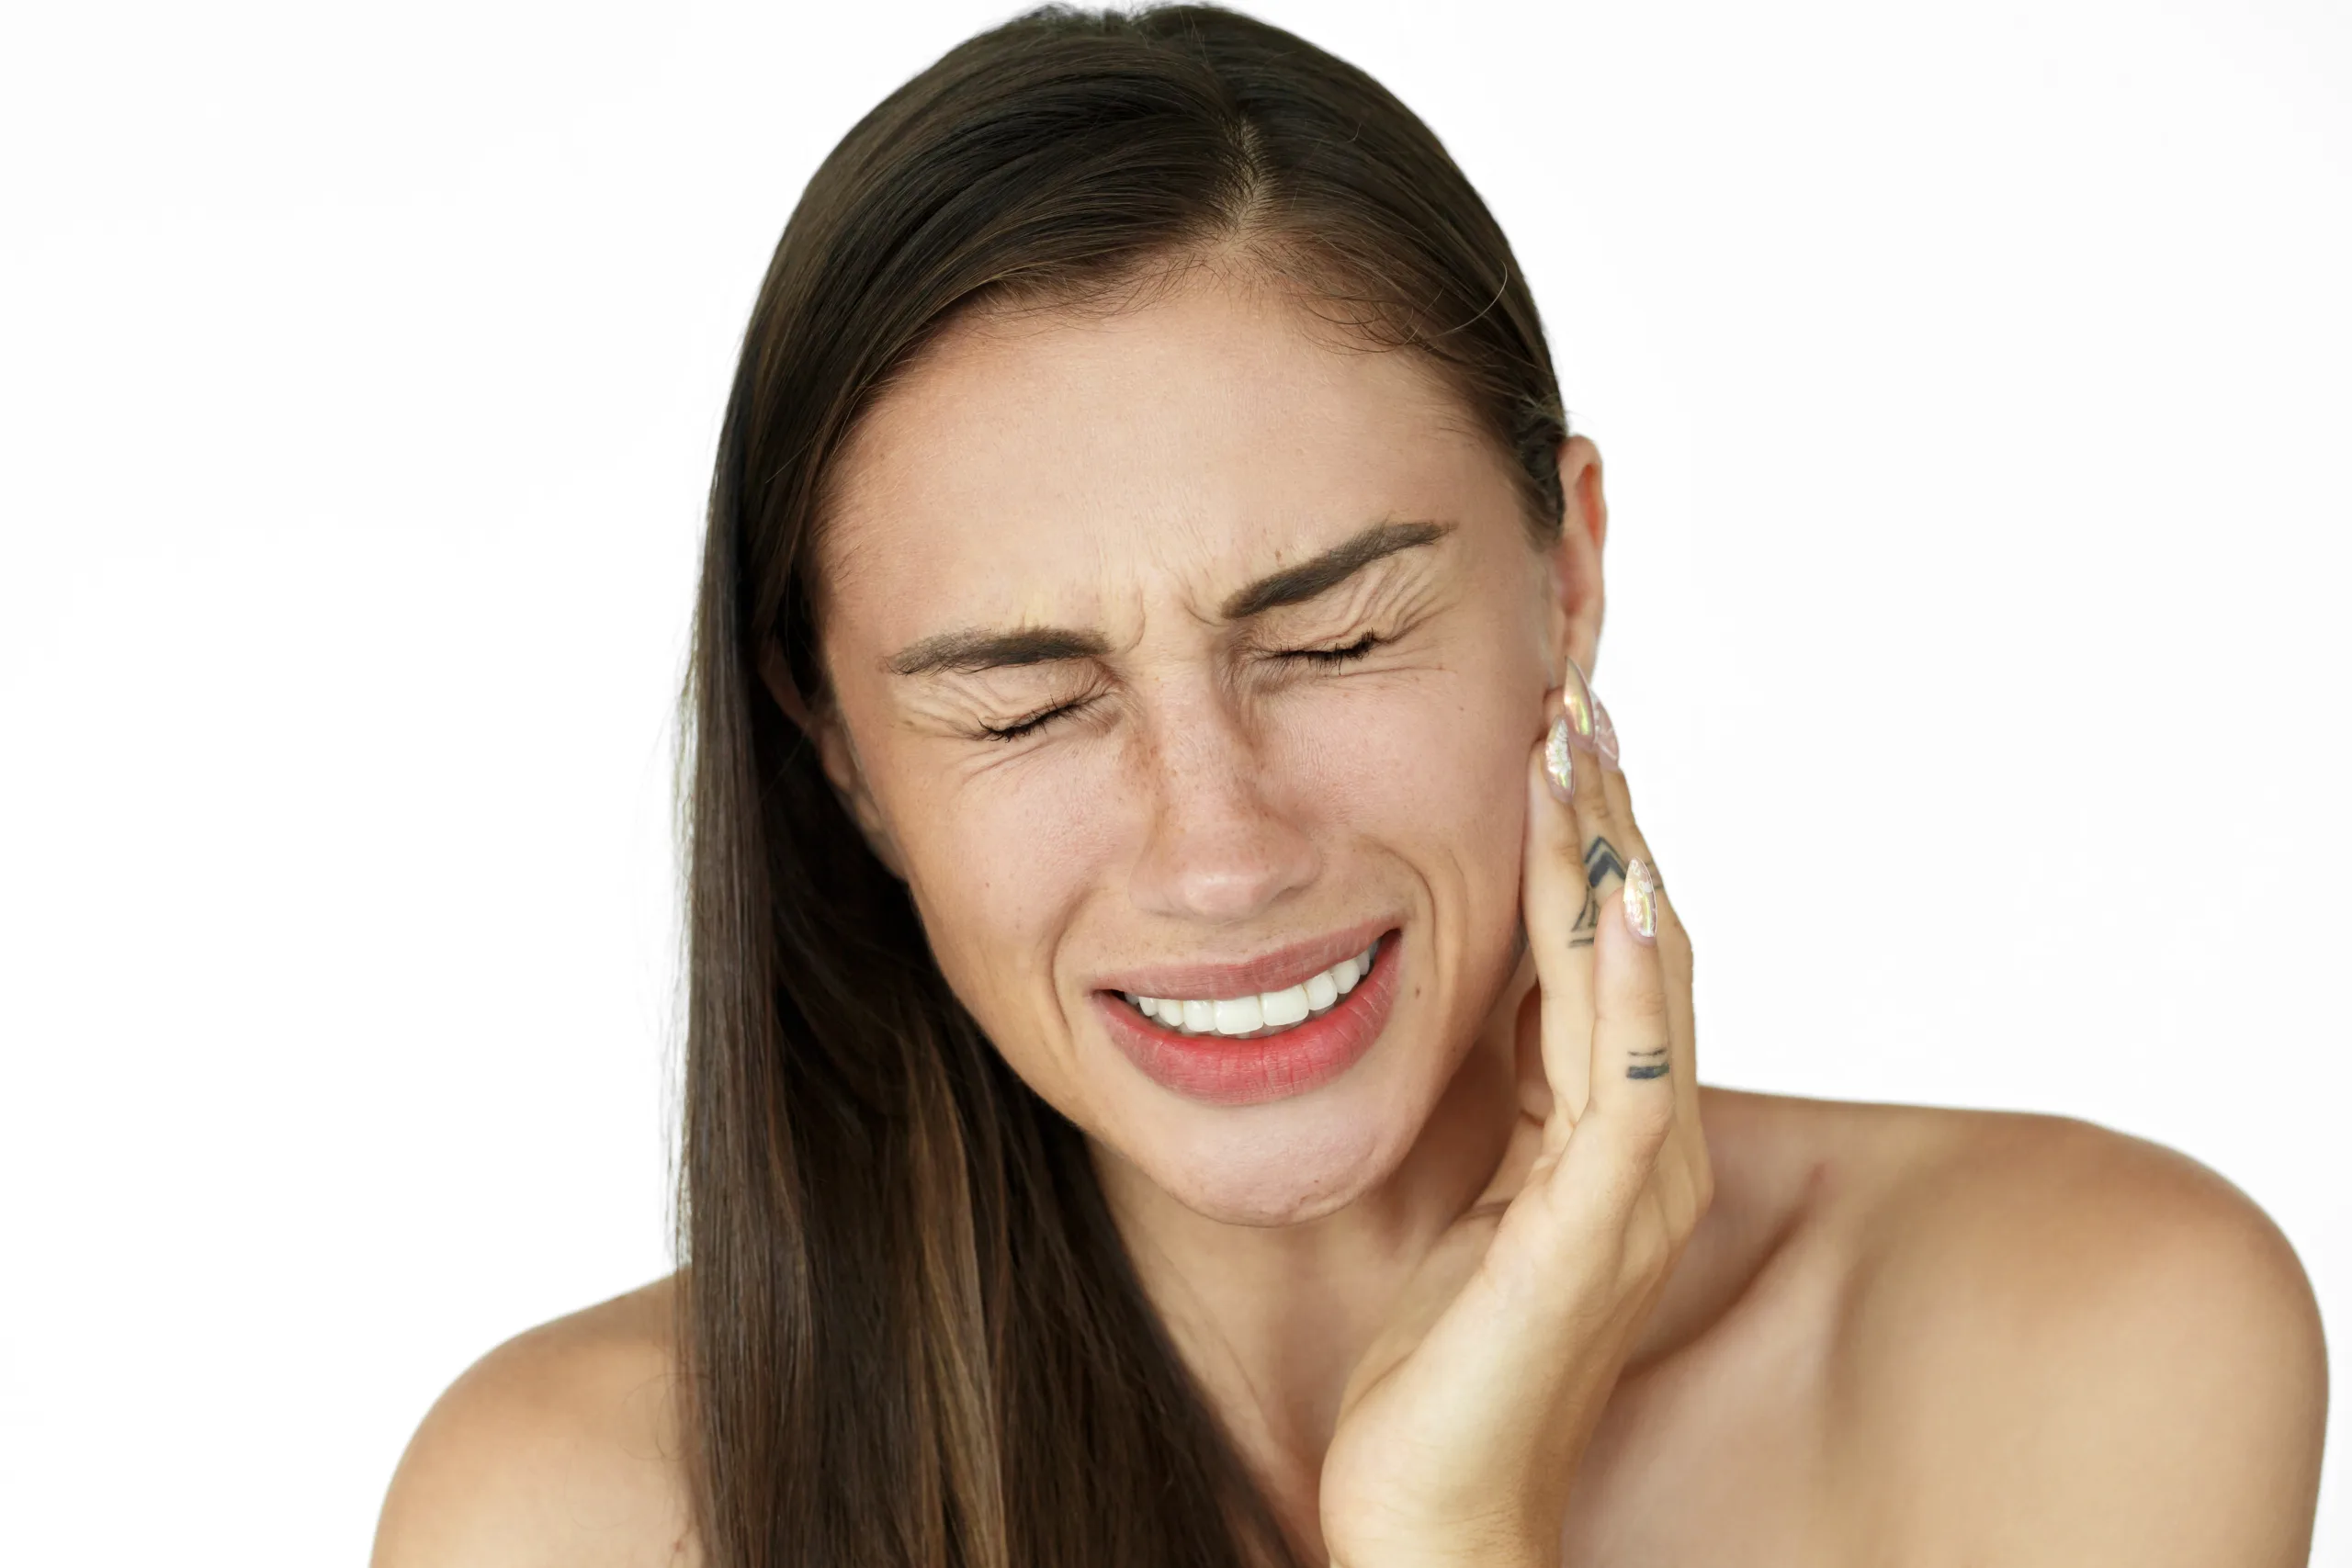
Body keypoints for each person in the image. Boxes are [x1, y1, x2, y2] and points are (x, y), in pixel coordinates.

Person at [369, 6, 2327, 1564]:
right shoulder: (578, 1514)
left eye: (1327, 640)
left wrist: (1449, 1530)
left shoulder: (2088, 1342)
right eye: (1028, 702)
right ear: (843, 762)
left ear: (1562, 577)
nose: (1216, 847)